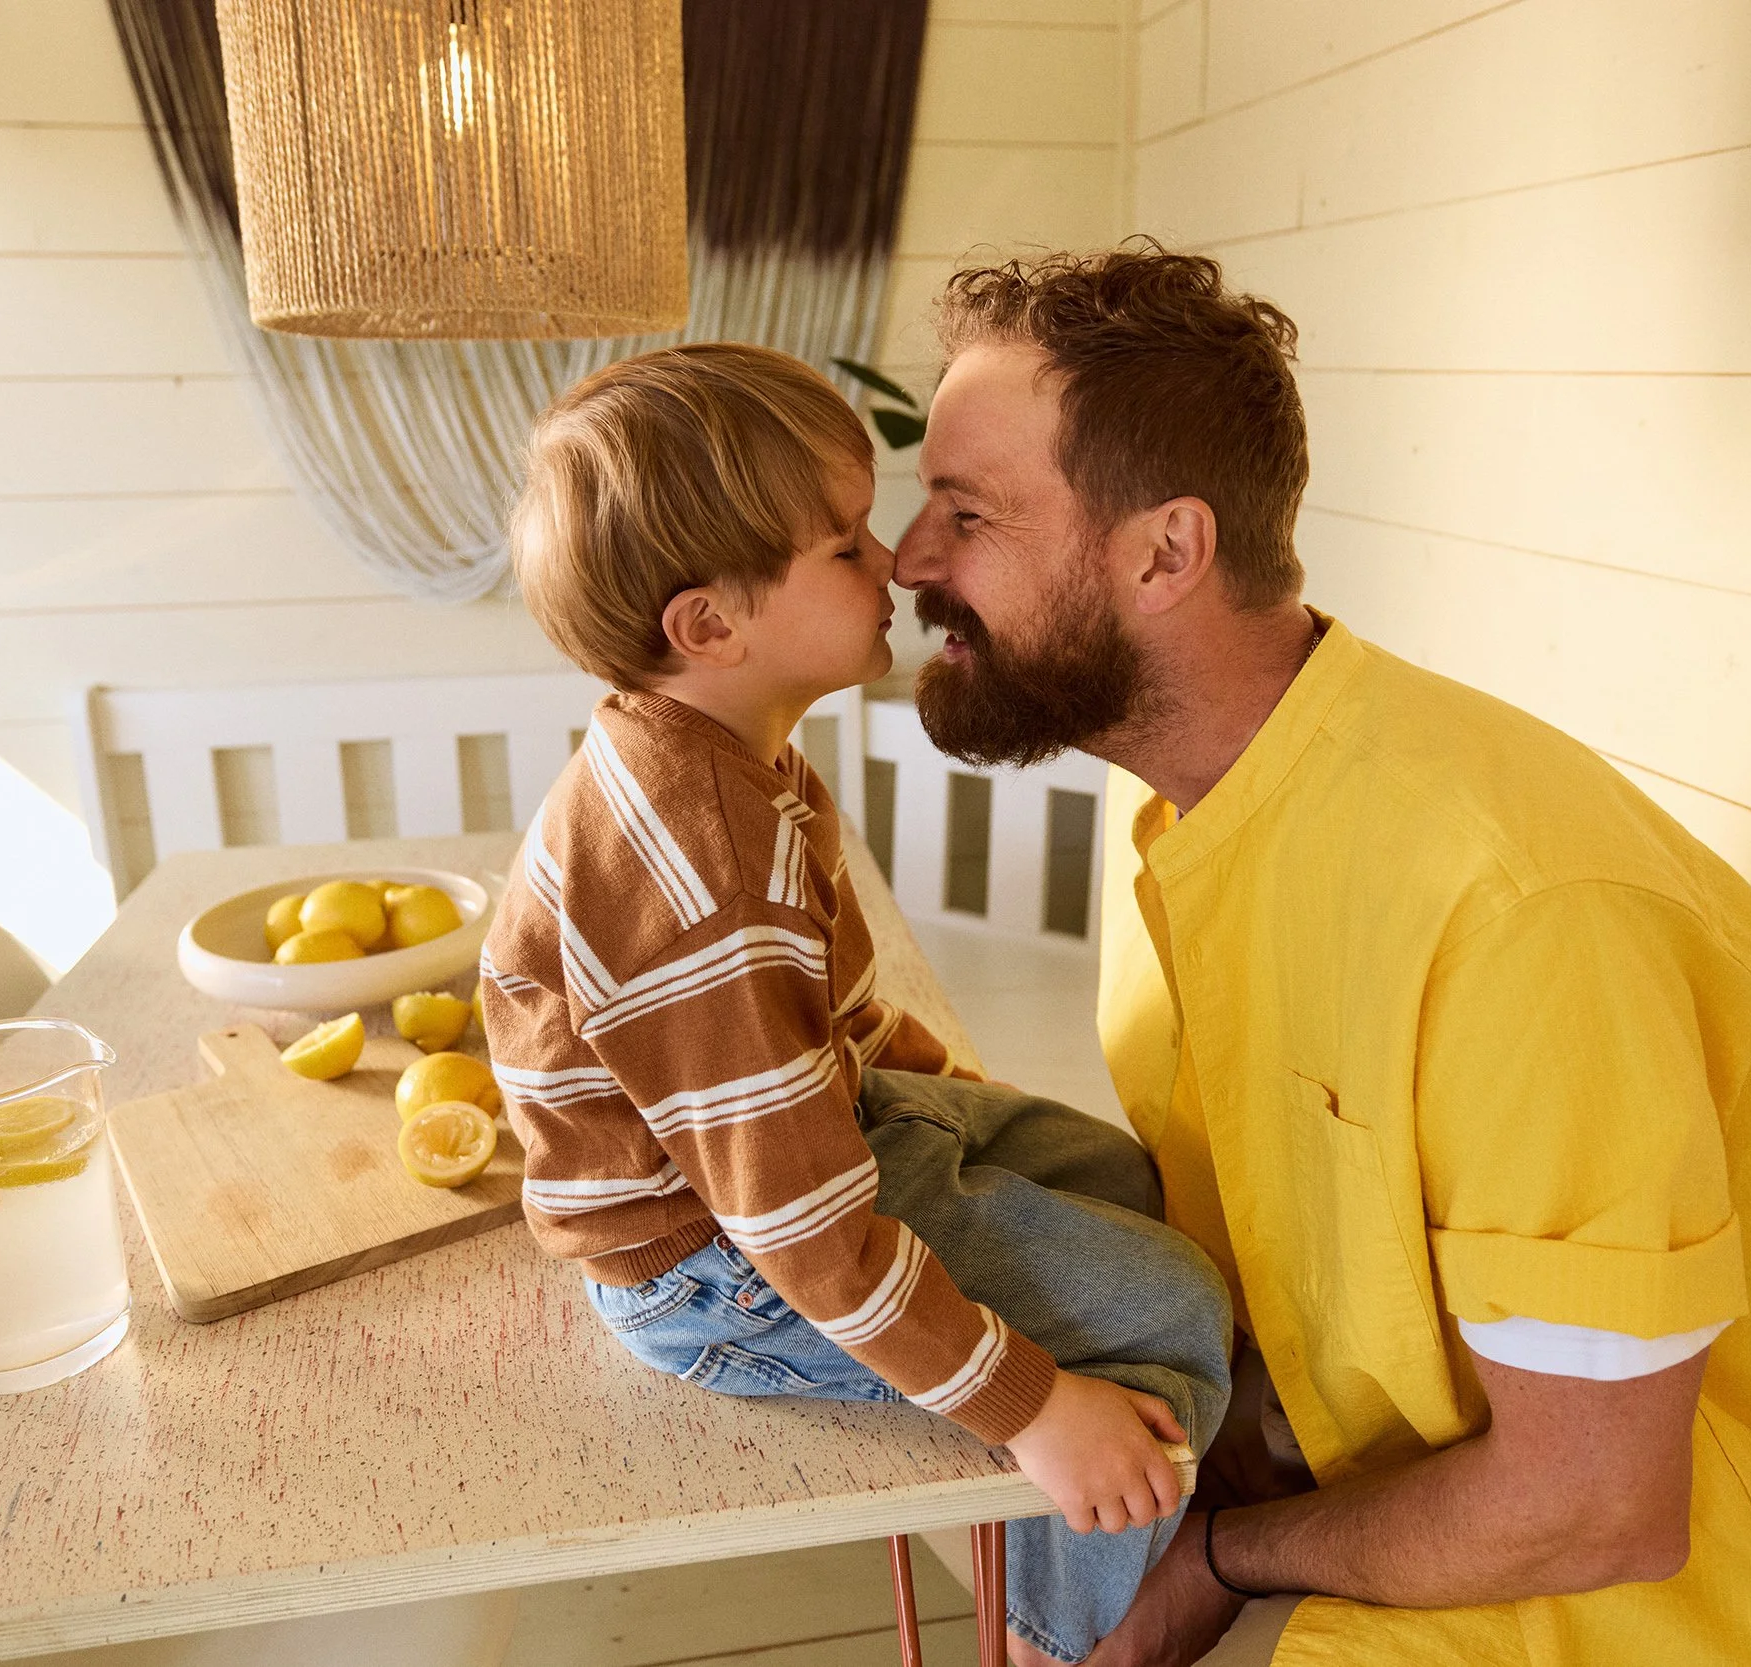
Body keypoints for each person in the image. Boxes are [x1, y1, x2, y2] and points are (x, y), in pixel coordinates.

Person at [889, 245, 1751, 1666]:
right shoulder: (1176, 803)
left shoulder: (1520, 911)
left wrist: (1217, 1553)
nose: (910, 560)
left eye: (964, 514)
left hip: (1576, 1609)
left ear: (1166, 551)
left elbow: (1599, 1508)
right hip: (1336, 1488)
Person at [480, 341, 1233, 1666]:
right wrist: (1032, 1402)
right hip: (715, 1265)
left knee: (1125, 1174)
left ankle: (1154, 1471)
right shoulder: (690, 874)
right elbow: (799, 1231)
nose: (892, 558)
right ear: (709, 625)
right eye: (840, 546)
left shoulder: (736, 757)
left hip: (799, 1147)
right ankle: (1076, 1629)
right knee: (1165, 1302)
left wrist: (949, 1099)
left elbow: (809, 1015)